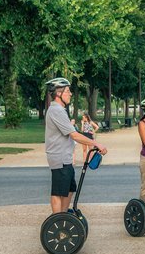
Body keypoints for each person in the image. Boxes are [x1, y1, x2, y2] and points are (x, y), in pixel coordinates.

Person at [45, 77, 107, 214]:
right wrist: (95, 143)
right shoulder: (56, 110)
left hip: (64, 157)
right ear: (58, 93)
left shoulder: (60, 110)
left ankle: (64, 216)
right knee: (58, 191)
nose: (71, 93)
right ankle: (59, 221)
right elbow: (74, 135)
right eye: (68, 91)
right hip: (59, 157)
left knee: (69, 189)